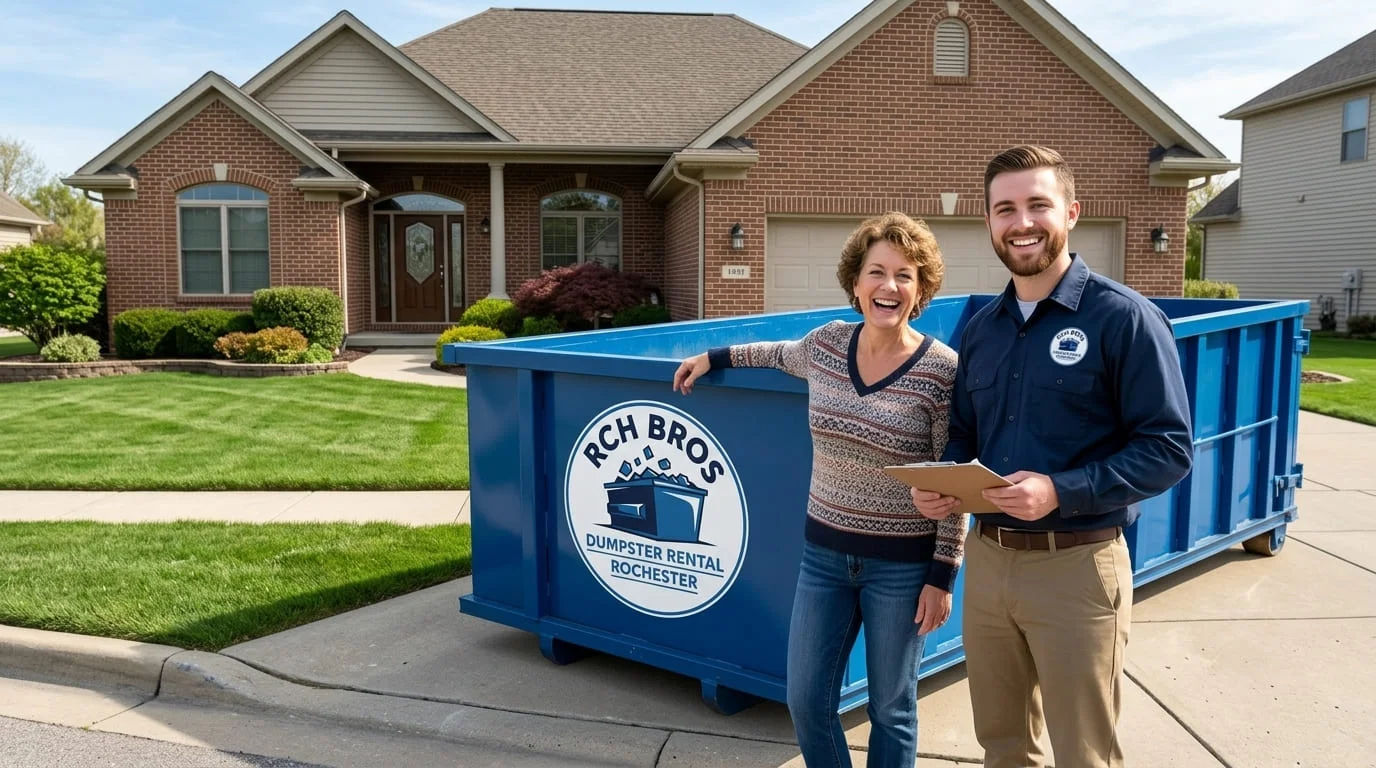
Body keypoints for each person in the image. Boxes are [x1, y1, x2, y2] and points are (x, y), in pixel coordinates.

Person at [910, 145, 1193, 768]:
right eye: (1005, 208)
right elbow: (963, 431)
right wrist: (946, 485)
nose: (1022, 222)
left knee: (1083, 752)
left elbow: (1168, 450)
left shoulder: (1125, 319)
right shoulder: (983, 327)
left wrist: (1061, 490)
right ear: (988, 222)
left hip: (1078, 567)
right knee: (1003, 744)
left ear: (1071, 212)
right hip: (989, 563)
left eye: (1038, 204)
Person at [673, 212, 965, 768]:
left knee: (892, 708)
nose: (889, 286)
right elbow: (775, 353)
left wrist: (941, 575)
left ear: (922, 288)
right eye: (877, 272)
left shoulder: (943, 372)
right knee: (805, 699)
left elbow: (952, 482)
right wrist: (713, 357)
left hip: (902, 570)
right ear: (855, 281)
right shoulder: (827, 344)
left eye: (905, 275)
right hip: (824, 559)